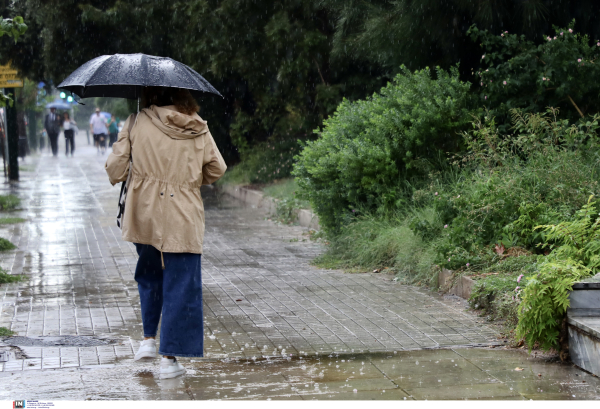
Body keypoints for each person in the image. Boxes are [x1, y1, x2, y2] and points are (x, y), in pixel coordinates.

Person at [105, 87, 227, 379]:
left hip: (144, 212)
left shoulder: (136, 121)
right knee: (180, 283)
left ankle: (148, 339)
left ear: (149, 95)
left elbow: (115, 170)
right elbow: (216, 169)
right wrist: (187, 178)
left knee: (149, 274)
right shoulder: (197, 126)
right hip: (183, 214)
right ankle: (169, 360)